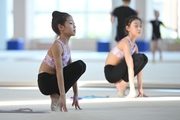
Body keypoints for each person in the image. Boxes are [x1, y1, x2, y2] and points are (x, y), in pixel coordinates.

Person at [37, 11, 86, 112]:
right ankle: (56, 96)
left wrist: (75, 95)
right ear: (61, 27)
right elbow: (59, 72)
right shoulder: (57, 45)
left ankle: (56, 95)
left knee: (80, 65)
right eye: (71, 23)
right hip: (45, 82)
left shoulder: (67, 46)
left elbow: (73, 73)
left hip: (53, 80)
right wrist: (62, 95)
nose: (75, 26)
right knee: (79, 65)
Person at [104, 16, 148, 98]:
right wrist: (132, 90)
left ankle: (121, 84)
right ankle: (122, 85)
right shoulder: (125, 42)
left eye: (140, 26)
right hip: (111, 72)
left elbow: (139, 68)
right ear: (128, 28)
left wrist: (140, 88)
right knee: (138, 58)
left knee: (144, 58)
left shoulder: (135, 46)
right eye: (136, 26)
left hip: (120, 69)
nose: (139, 28)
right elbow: (130, 66)